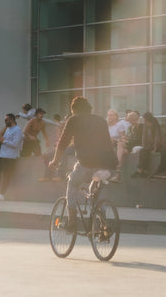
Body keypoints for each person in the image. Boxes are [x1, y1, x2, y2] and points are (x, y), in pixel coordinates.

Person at [48, 96, 117, 233]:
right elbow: (108, 142)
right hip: (108, 164)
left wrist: (55, 162)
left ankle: (72, 222)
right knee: (97, 193)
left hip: (87, 163)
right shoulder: (100, 120)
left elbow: (62, 144)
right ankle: (102, 226)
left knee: (72, 183)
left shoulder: (74, 120)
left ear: (74, 110)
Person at [0, 113, 23, 200]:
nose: (5, 121)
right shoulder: (8, 129)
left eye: (6, 120)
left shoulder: (17, 130)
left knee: (6, 175)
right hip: (2, 155)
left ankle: (1, 194)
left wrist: (4, 141)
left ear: (11, 120)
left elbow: (15, 144)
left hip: (10, 157)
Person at [130, 112, 163, 178]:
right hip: (149, 145)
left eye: (144, 119)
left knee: (145, 151)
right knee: (143, 150)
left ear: (148, 119)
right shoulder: (145, 125)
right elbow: (144, 137)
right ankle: (142, 170)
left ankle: (140, 171)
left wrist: (155, 147)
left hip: (157, 145)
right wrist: (144, 145)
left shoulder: (155, 125)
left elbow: (157, 136)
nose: (143, 120)